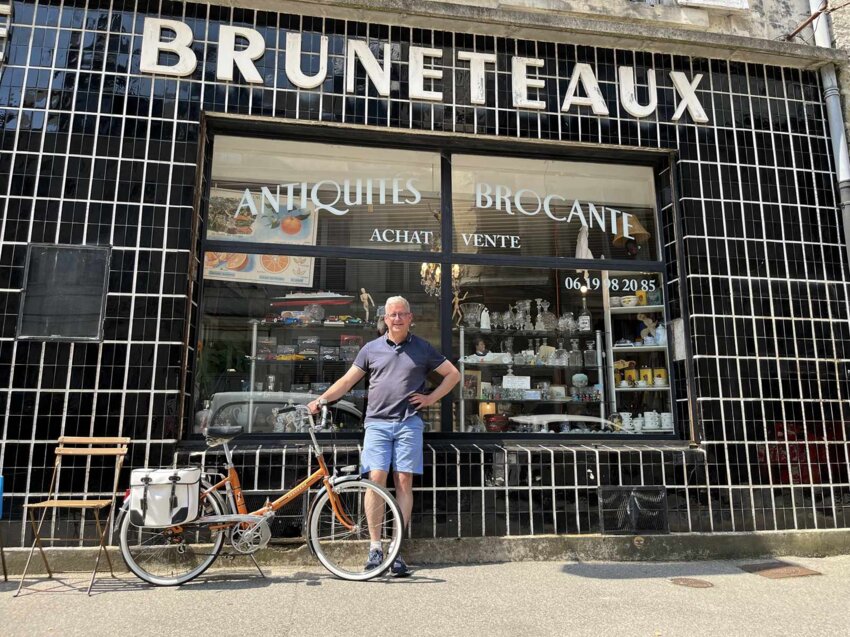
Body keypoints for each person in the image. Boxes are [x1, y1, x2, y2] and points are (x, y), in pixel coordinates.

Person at [308, 296, 460, 576]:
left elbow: (453, 375)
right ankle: (375, 547)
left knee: (404, 481)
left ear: (410, 317)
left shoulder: (422, 348)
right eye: (393, 315)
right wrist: (321, 400)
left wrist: (430, 399)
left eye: (402, 314)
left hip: (408, 424)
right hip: (376, 424)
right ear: (385, 319)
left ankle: (396, 549)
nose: (398, 319)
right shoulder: (371, 349)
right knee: (375, 480)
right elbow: (346, 382)